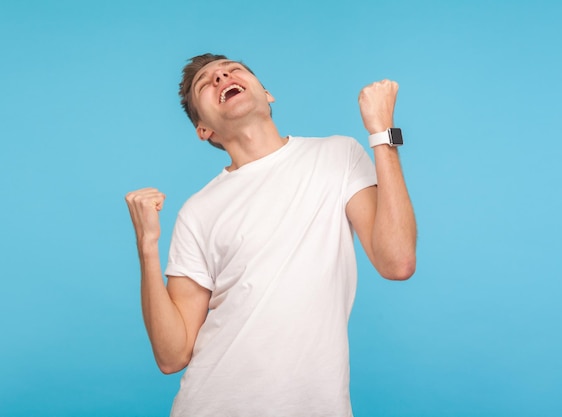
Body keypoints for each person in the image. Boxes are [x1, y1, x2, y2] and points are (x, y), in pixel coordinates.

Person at [125, 53, 417, 417]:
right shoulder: (197, 211)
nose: (221, 76)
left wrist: (381, 133)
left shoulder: (338, 155)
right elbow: (172, 356)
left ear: (267, 93)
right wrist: (147, 247)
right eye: (206, 83)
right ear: (204, 130)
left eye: (232, 70)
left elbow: (397, 261)